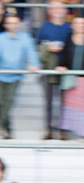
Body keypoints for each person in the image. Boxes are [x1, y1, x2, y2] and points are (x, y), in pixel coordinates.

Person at [0, 14, 39, 139]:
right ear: (5, 25)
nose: (13, 25)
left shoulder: (25, 38)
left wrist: (33, 64)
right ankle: (9, 131)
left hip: (15, 76)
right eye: (10, 23)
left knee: (8, 103)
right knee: (0, 103)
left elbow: (31, 52)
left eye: (15, 23)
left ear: (19, 24)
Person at [38, 2, 71, 140]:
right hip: (49, 70)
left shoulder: (69, 27)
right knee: (49, 102)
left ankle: (63, 130)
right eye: (55, 8)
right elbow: (39, 46)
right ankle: (49, 130)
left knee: (65, 103)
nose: (58, 10)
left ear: (65, 11)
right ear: (50, 11)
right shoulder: (45, 26)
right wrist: (48, 47)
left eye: (61, 8)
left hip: (66, 70)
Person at [57, 16, 84, 140]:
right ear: (72, 25)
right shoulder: (68, 38)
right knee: (68, 105)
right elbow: (63, 54)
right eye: (77, 23)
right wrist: (61, 66)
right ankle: (65, 131)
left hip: (83, 78)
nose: (80, 25)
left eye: (82, 23)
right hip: (70, 77)